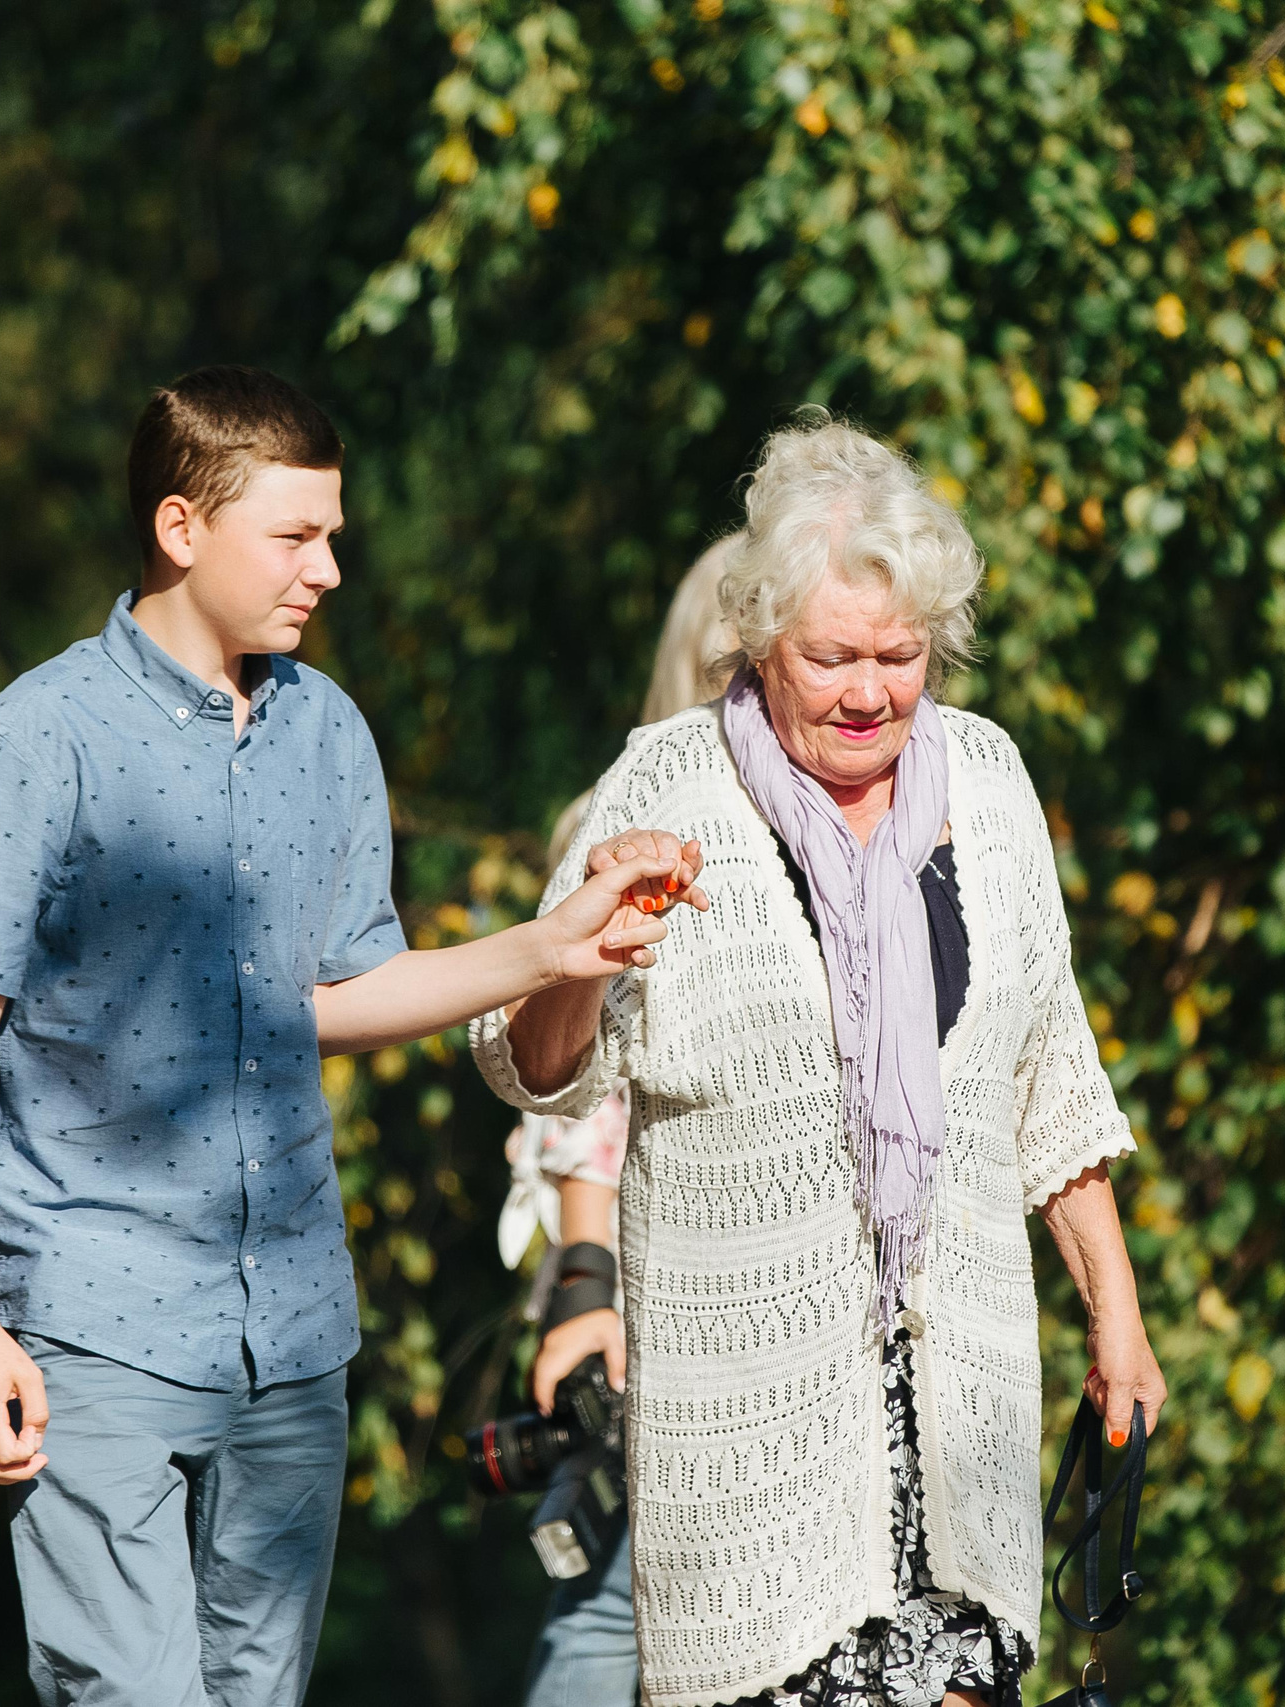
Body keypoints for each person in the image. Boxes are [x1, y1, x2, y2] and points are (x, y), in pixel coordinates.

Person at [0, 365, 707, 1707]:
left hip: (294, 1335)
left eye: (332, 535)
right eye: (295, 535)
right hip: (91, 1323)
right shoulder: (31, 743)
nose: (326, 568)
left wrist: (555, 946)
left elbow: (333, 995)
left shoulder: (326, 732)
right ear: (180, 527)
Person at [473, 418, 1168, 1707]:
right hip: (750, 1461)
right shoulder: (667, 786)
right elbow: (537, 1074)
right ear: (757, 642)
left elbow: (1051, 1082)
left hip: (960, 1429)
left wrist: (1114, 1319)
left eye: (900, 657)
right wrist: (583, 959)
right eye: (832, 657)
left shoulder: (990, 785)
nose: (869, 693)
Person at [500, 532, 744, 1707]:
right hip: (655, 1287)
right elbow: (583, 1096)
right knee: (616, 1607)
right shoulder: (623, 824)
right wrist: (590, 1283)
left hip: (779, 1292)